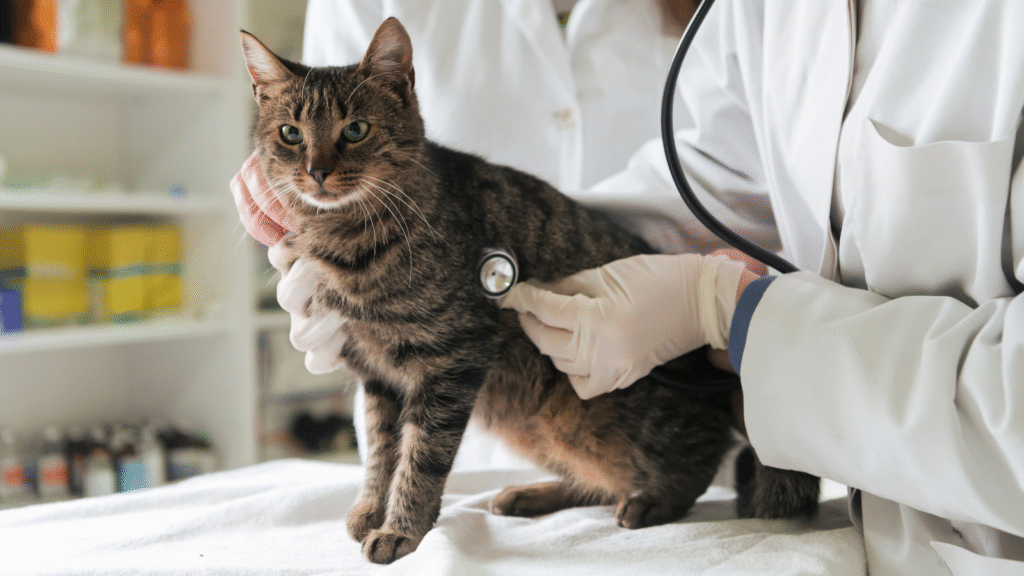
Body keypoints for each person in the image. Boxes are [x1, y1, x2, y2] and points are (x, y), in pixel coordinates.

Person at [235, 0, 1024, 574]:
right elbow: (699, 192)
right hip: (841, 504)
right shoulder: (768, 15)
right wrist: (413, 269)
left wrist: (733, 314)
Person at [232, 0, 767, 471]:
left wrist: (712, 294)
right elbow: (313, 119)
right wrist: (289, 208)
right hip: (454, 448)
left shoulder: (738, 11)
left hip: (662, 407)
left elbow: (746, 185)